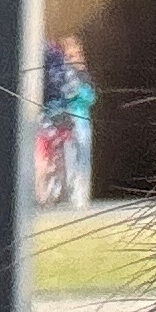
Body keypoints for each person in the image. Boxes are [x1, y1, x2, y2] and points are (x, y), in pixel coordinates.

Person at [39, 33, 97, 210]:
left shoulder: (81, 75)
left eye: (76, 54)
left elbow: (91, 96)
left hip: (81, 120)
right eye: (70, 56)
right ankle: (64, 194)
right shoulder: (60, 76)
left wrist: (77, 94)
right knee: (65, 158)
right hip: (65, 120)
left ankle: (80, 195)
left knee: (82, 158)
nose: (74, 59)